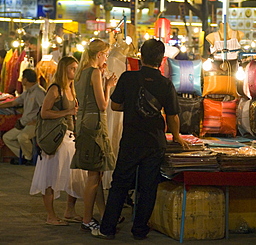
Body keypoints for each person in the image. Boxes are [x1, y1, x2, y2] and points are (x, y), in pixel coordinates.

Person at [92, 38, 189, 240]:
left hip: (131, 140)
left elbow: (115, 106)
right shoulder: (166, 83)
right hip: (155, 143)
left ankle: (107, 229)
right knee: (147, 188)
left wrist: (134, 107)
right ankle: (139, 230)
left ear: (141, 57)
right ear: (161, 60)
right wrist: (177, 136)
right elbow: (173, 116)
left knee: (119, 184)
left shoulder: (128, 78)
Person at [30, 56, 86, 226]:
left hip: (70, 137)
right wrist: (67, 112)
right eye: (72, 68)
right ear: (64, 70)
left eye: (76, 68)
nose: (75, 71)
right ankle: (51, 216)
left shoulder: (72, 88)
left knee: (74, 176)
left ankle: (70, 211)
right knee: (50, 177)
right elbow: (44, 113)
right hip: (56, 139)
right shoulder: (56, 89)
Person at [71, 39, 117, 232]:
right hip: (94, 125)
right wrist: (109, 85)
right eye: (105, 54)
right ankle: (87, 219)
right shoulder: (94, 72)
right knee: (93, 176)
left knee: (95, 172)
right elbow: (103, 105)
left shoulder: (81, 73)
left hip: (82, 122)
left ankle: (101, 213)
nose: (106, 57)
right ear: (99, 55)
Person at [2, 68, 46, 164]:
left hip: (35, 124)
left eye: (22, 78)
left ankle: (29, 158)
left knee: (22, 137)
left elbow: (44, 108)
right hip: (24, 123)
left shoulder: (39, 92)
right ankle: (24, 156)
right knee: (7, 137)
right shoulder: (27, 92)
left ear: (25, 79)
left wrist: (36, 121)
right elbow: (14, 103)